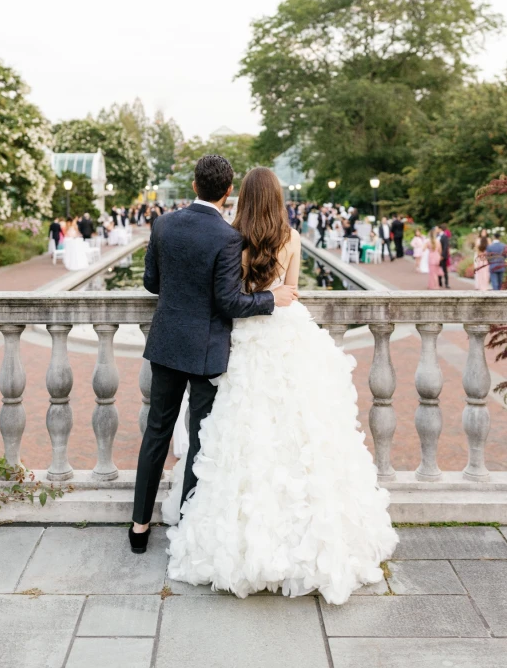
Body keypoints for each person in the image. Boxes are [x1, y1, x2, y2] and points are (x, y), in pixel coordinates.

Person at [164, 167, 398, 604]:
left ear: (241, 197)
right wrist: (275, 296)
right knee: (301, 429)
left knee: (240, 429)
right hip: (286, 335)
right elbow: (290, 293)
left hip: (244, 338)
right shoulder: (291, 238)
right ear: (278, 197)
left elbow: (228, 296)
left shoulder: (231, 236)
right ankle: (306, 535)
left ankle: (242, 536)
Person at [129, 156, 298, 554]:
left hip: (167, 343)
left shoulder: (164, 224)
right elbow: (229, 302)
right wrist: (271, 298)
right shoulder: (227, 238)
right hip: (206, 350)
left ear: (193, 185)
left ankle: (139, 526)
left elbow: (151, 282)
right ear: (227, 191)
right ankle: (187, 525)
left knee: (156, 432)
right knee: (200, 438)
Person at [437, 225, 450, 289]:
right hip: (437, 256)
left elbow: (445, 247)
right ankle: (439, 282)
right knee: (438, 269)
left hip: (443, 256)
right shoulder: (437, 236)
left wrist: (442, 255)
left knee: (444, 270)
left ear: (440, 229)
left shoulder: (444, 236)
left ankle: (446, 283)